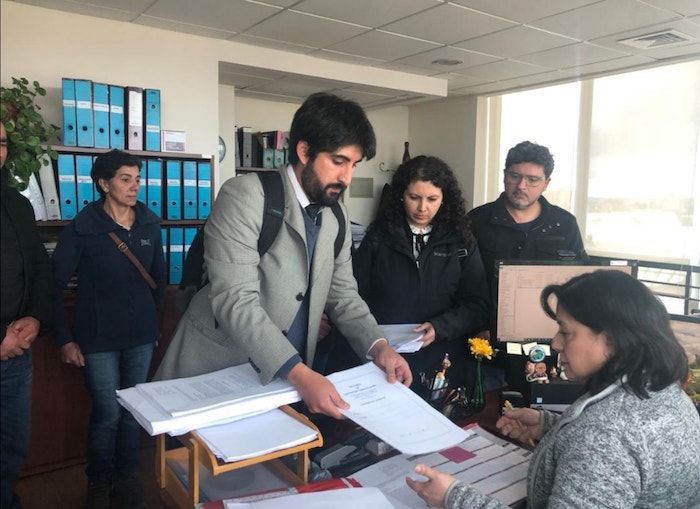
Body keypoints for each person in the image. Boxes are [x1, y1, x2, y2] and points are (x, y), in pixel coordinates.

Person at [155, 92, 412, 419]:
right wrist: (299, 373)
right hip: (220, 371)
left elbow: (344, 295)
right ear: (304, 151)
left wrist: (379, 346)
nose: (347, 178)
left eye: (354, 165)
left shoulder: (337, 215)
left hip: (286, 381)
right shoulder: (246, 195)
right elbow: (234, 299)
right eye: (338, 161)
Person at [406, 270, 700, 509]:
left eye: (566, 332)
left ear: (612, 339)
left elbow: (606, 445)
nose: (556, 343)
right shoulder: (658, 388)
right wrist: (551, 426)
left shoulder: (604, 438)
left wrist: (455, 498)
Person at [52, 150, 166, 509]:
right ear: (104, 184)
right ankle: (99, 482)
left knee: (132, 412)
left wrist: (152, 325)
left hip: (140, 338)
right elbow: (52, 287)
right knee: (108, 412)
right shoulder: (83, 227)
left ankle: (126, 478)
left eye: (137, 179)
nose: (134, 187)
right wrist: (65, 339)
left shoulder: (149, 223)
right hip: (97, 338)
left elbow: (159, 280)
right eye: (125, 179)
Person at [350, 156, 490, 397]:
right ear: (400, 196)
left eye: (432, 199)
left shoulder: (461, 241)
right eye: (414, 197)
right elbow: (355, 296)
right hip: (386, 356)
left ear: (444, 199)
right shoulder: (378, 237)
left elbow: (477, 304)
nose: (422, 208)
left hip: (442, 358)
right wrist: (375, 341)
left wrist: (441, 326)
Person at [1, 121, 53, 509]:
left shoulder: (17, 204)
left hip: (17, 354)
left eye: (2, 143)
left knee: (11, 448)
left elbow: (38, 268)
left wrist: (34, 318)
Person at [468, 140, 587, 296]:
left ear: (546, 183)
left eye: (532, 180)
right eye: (514, 176)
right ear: (504, 175)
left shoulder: (565, 223)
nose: (521, 186)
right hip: (486, 310)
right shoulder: (476, 220)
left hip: (547, 310)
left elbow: (580, 278)